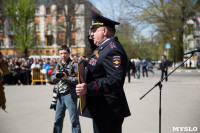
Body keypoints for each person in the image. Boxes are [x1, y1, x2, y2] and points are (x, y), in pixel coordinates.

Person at [76, 10, 131, 133]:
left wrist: (88, 88)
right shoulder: (104, 48)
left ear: (105, 31)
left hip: (108, 110)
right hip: (102, 108)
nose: (91, 34)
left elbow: (115, 80)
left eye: (94, 31)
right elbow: (96, 62)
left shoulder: (113, 50)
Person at [50, 45, 81, 133]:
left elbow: (79, 79)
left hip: (70, 94)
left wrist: (67, 78)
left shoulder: (74, 65)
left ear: (69, 53)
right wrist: (57, 76)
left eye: (65, 53)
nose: (63, 55)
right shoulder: (58, 64)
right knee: (57, 120)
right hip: (59, 95)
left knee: (74, 120)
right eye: (61, 53)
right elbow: (52, 78)